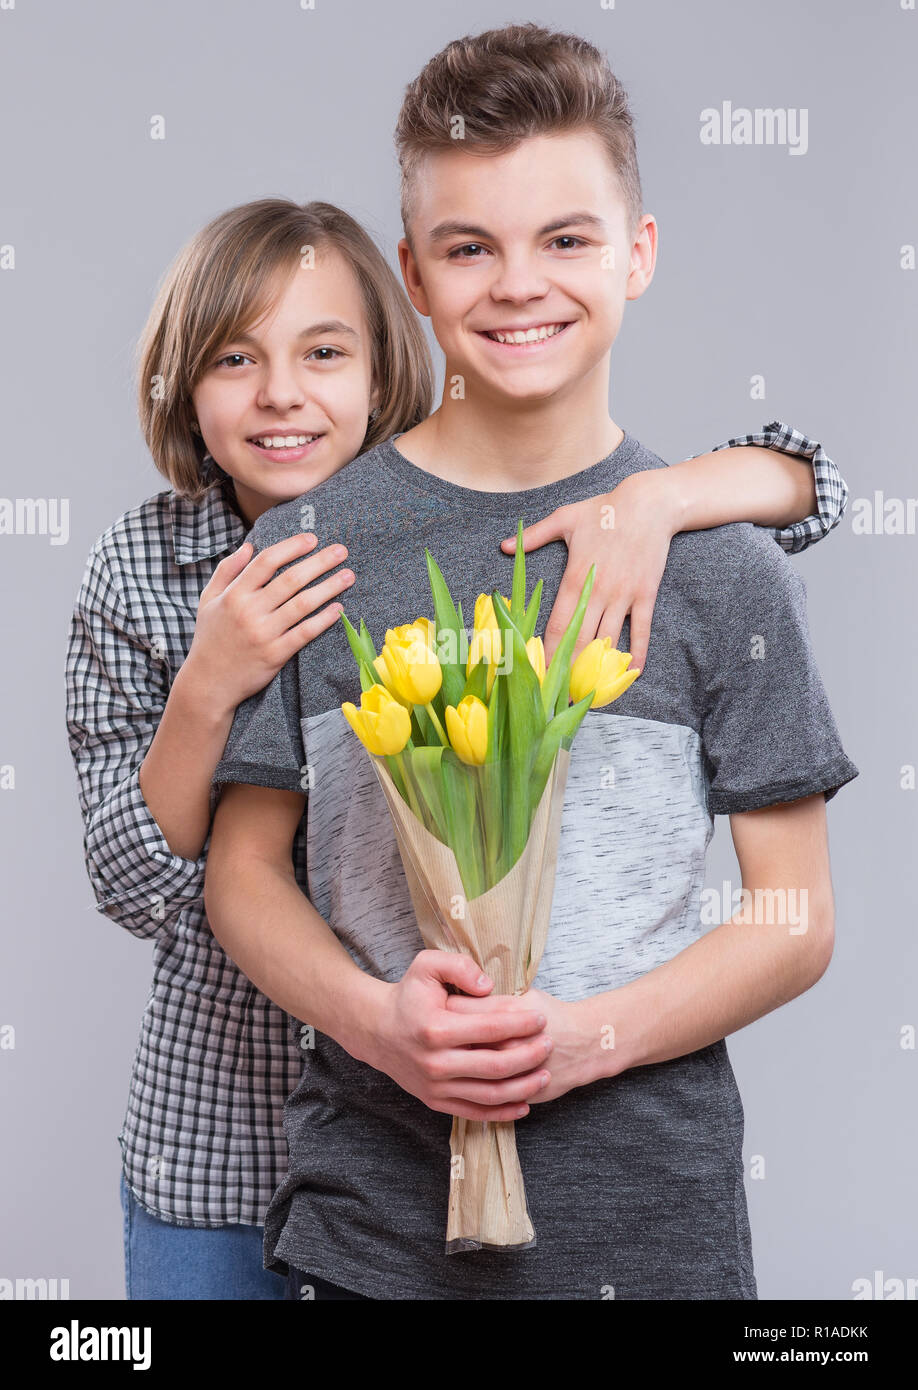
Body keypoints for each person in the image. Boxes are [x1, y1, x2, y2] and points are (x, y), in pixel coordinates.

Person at [65, 199, 836, 1305]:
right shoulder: (146, 566)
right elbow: (144, 883)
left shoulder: (437, 524)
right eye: (233, 359)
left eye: (324, 353)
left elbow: (805, 502)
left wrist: (665, 495)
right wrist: (210, 680)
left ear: (385, 369)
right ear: (182, 385)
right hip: (234, 1133)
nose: (281, 392)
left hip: (455, 1153)